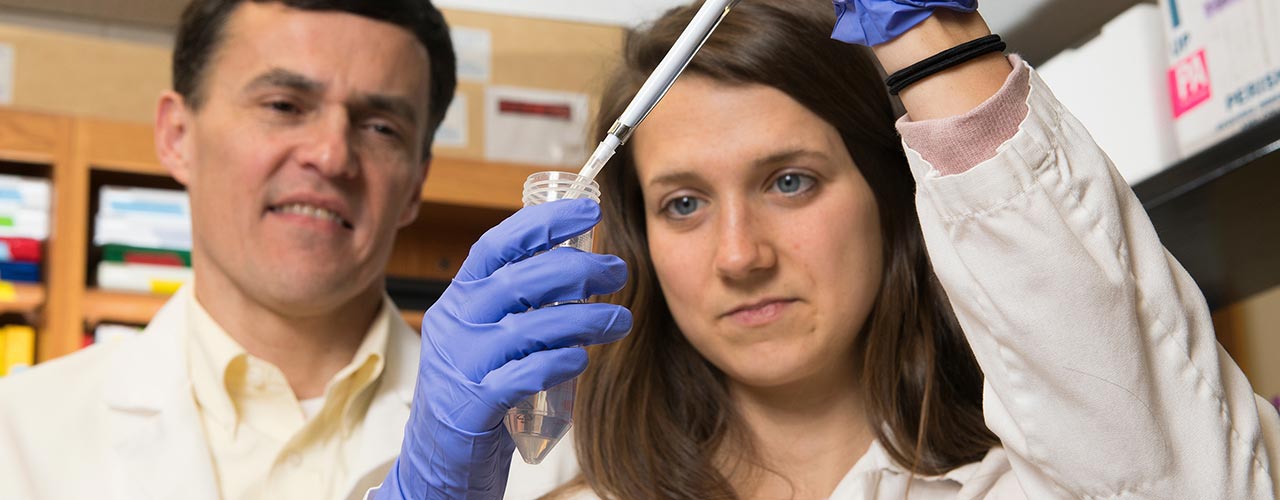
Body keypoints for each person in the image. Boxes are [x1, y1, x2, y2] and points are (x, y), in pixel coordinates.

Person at [515, 1, 1277, 498]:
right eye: (683, 204)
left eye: (789, 181)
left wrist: (934, 44)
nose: (740, 256)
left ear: (893, 193)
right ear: (638, 242)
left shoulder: (1032, 484)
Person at [0, 1, 628, 499]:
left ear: (415, 180)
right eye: (283, 105)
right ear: (177, 136)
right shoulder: (19, 438)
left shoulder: (567, 462)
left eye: (381, 126)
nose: (331, 156)